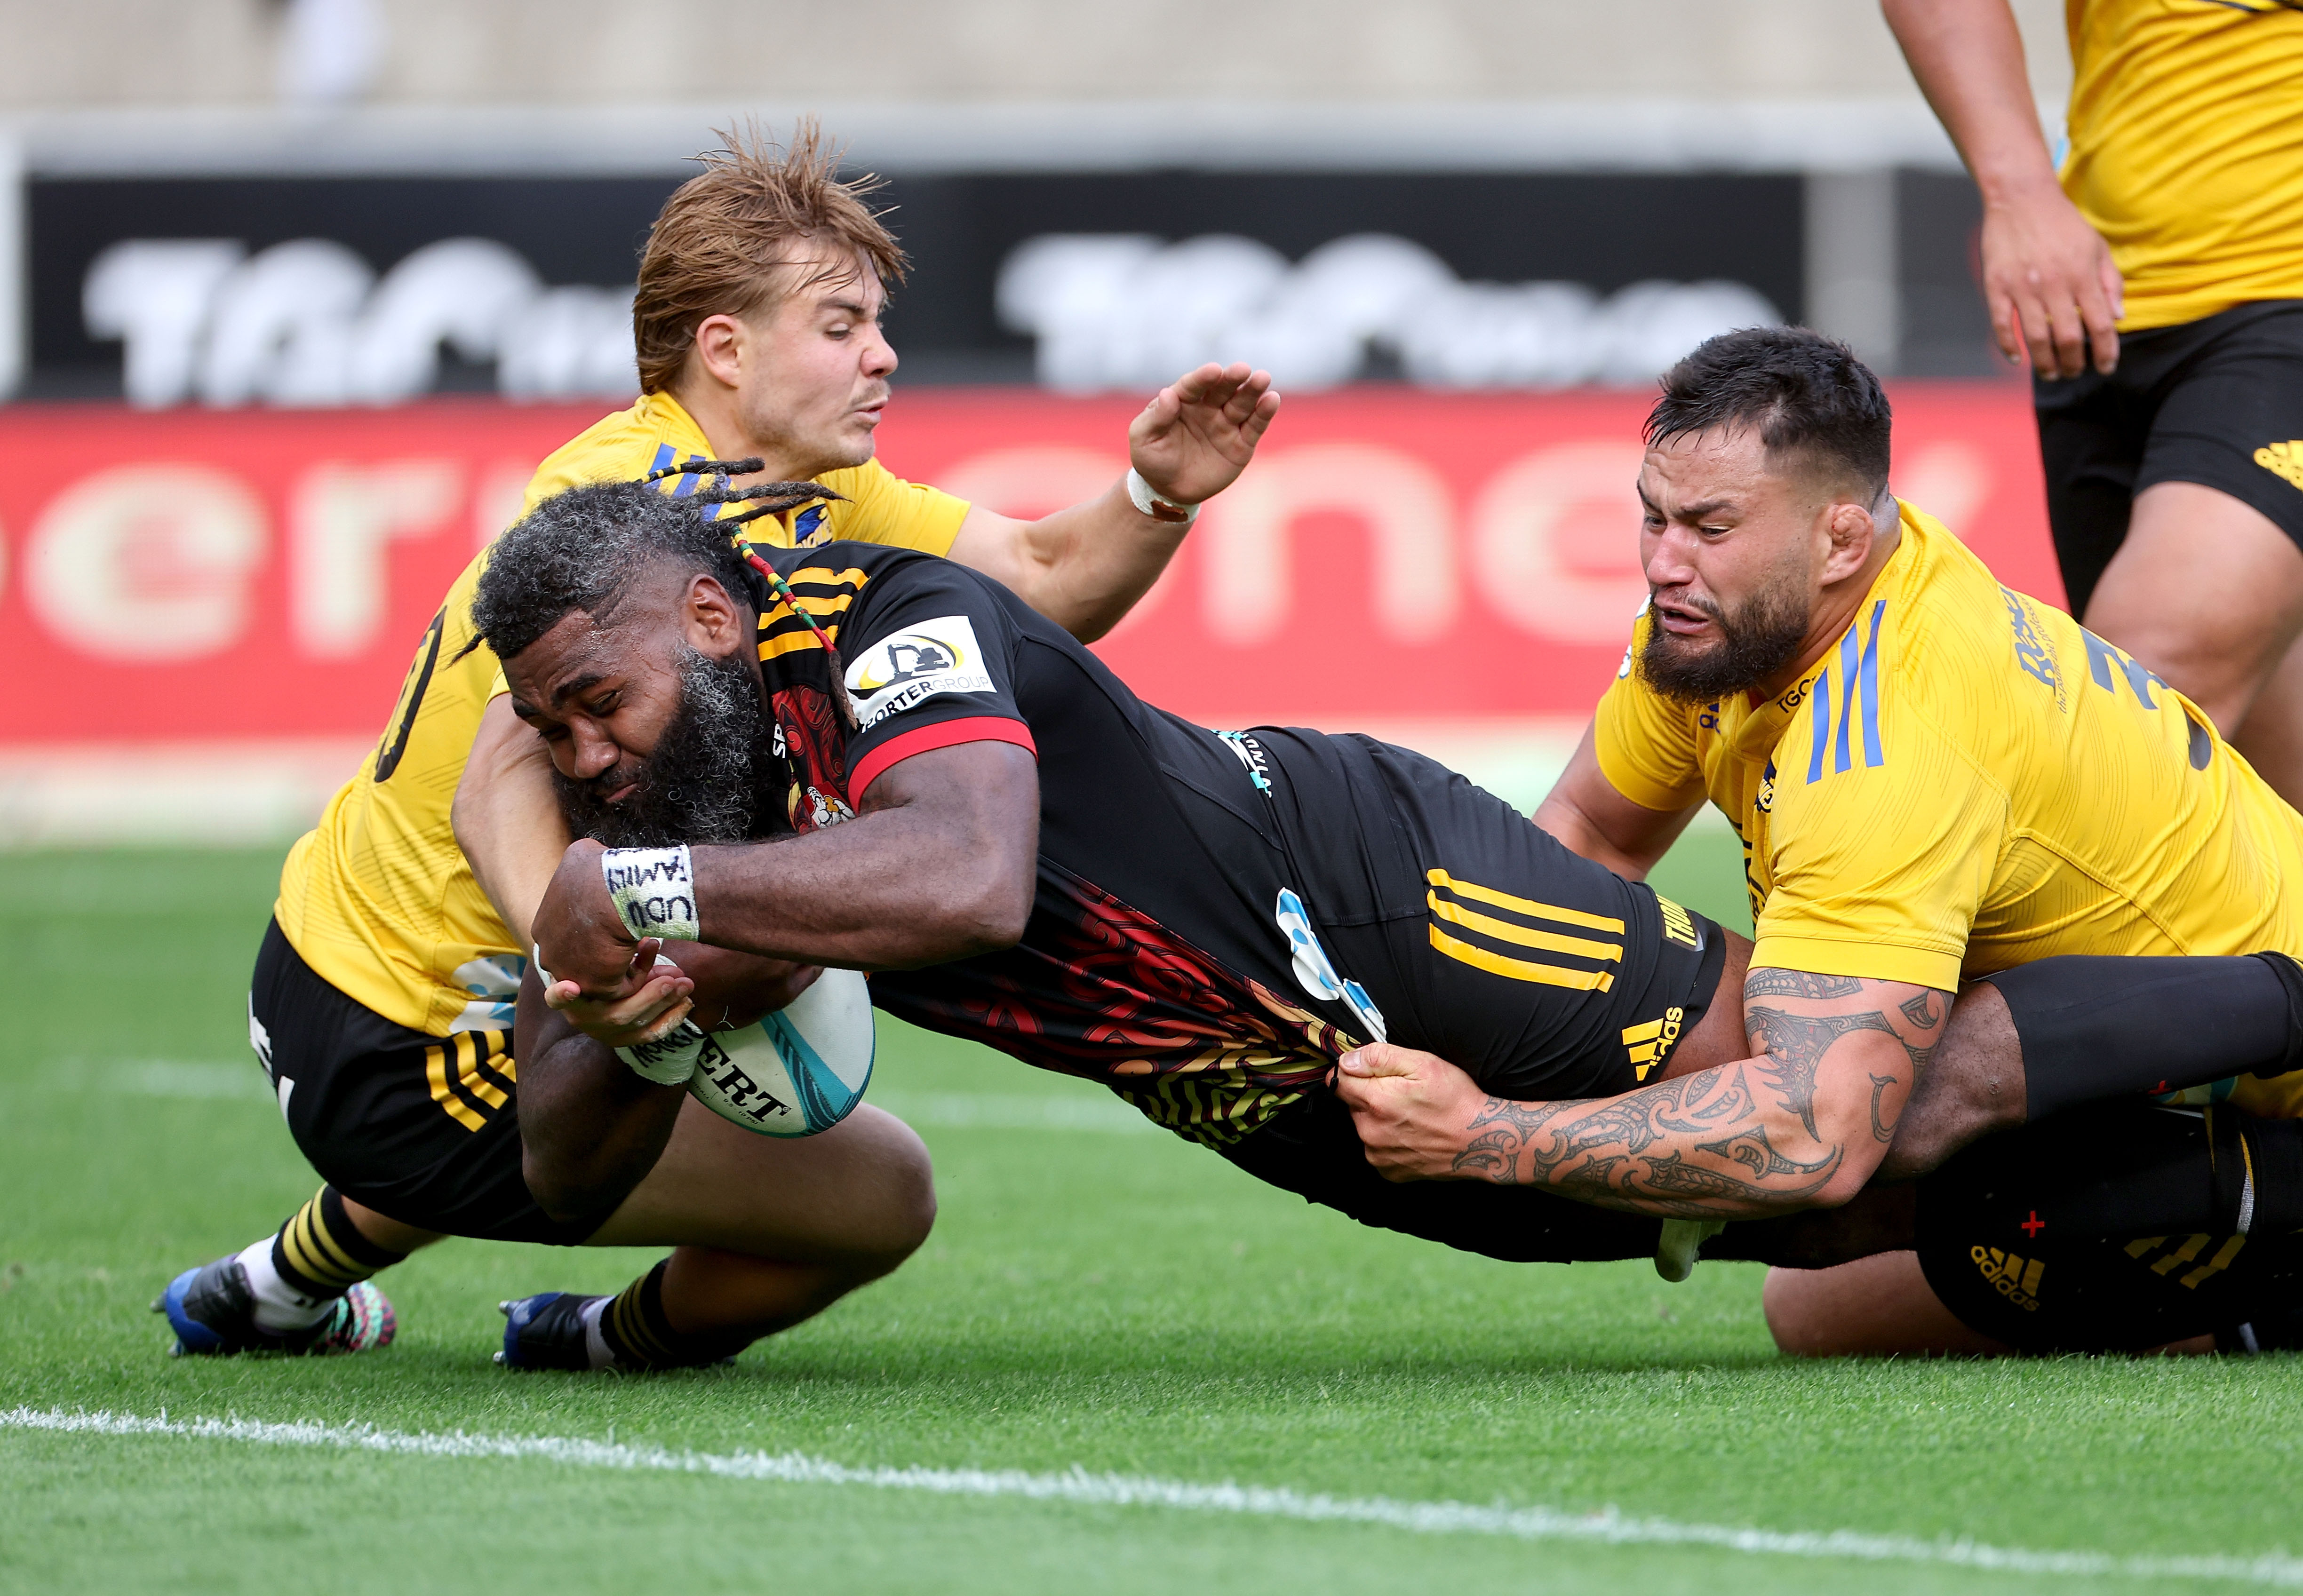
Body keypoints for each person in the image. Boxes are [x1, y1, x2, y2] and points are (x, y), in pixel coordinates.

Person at [485, 470, 2303, 1365]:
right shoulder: (676, 812)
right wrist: (618, 999)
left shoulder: (884, 622)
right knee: (1841, 1282)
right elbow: (564, 1171)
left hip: (1388, 903)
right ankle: (2238, 1240)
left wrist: (633, 894)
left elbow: (962, 871)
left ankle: (2279, 1010)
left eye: (599, 701)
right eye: (553, 728)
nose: (586, 754)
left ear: (710, 630)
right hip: (1308, 1100)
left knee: (1847, 1129)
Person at [154, 120, 1280, 1370]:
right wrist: (595, 975)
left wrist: (1158, 495)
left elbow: (1041, 575)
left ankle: (273, 1286)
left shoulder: (804, 485)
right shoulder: (618, 501)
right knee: (876, 1186)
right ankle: (599, 1342)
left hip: (348, 963)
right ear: (727, 350)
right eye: (842, 325)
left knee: (740, 909)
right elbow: (501, 766)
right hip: (410, 1027)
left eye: (877, 323)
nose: (884, 354)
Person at [1324, 326, 2303, 1354]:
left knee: (1857, 1160)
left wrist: (1486, 1136)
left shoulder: (1893, 728)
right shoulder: (1737, 616)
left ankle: (2252, 1257)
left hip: (2265, 1074)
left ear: (1840, 539)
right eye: (1653, 518)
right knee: (1815, 1312)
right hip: (2115, 1048)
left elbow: (1816, 1131)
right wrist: (1475, 1008)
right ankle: (2194, 1269)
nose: (1664, 564)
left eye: (1710, 525)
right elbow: (1590, 834)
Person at [1881, 0, 2303, 800]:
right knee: (2261, 798)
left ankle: (1886, 927)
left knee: (2136, 697)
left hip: (2287, 303)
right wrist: (2019, 194)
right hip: (2097, 310)